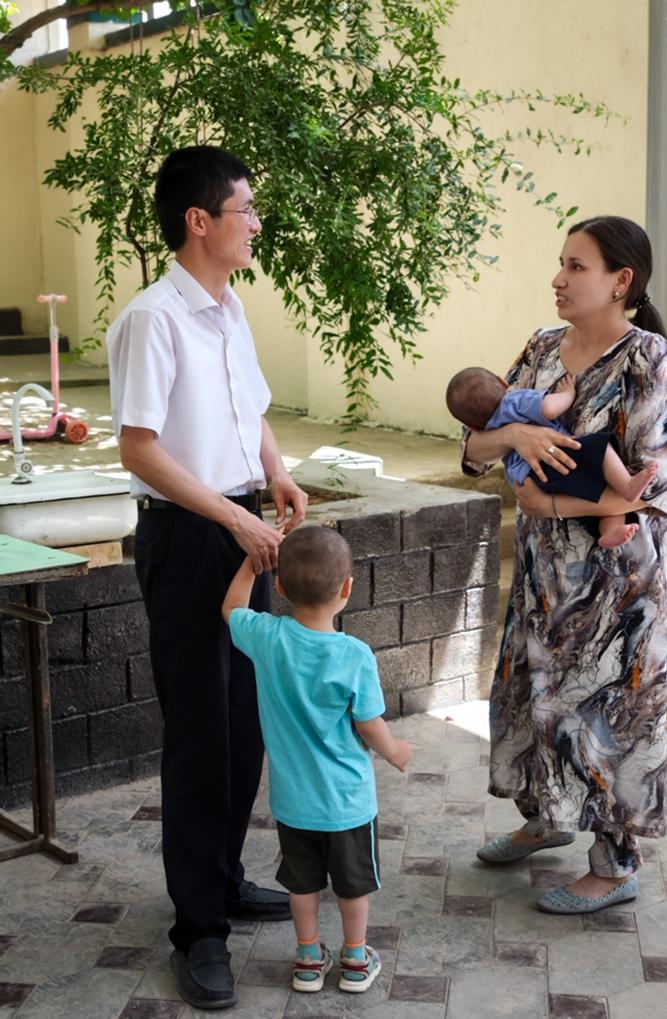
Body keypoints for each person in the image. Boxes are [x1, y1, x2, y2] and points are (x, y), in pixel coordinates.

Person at [107, 145, 309, 1009]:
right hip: (192, 538)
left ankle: (222, 880)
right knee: (199, 733)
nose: (256, 223)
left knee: (242, 721)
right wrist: (231, 517)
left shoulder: (229, 309)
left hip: (240, 527)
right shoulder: (152, 319)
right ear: (199, 220)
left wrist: (277, 472)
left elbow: (248, 408)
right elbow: (139, 448)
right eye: (245, 209)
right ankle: (197, 930)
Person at [463, 215, 667, 914]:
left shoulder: (644, 355)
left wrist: (550, 503)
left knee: (609, 712)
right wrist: (514, 435)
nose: (558, 278)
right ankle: (545, 818)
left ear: (622, 281)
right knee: (532, 692)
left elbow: (652, 479)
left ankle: (615, 864)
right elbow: (472, 447)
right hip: (543, 571)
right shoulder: (540, 347)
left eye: (576, 266)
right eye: (561, 263)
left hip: (618, 581)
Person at [222, 525, 411, 994]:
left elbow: (231, 608)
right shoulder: (355, 655)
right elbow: (369, 724)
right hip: (347, 802)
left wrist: (252, 560)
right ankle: (355, 959)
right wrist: (395, 751)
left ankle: (308, 960)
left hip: (294, 802)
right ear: (347, 588)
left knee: (301, 884)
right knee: (353, 885)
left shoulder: (268, 638)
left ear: (281, 588)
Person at [446, 367, 658, 547]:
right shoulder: (514, 399)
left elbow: (471, 448)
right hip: (559, 458)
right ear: (503, 382)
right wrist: (567, 393)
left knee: (593, 491)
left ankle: (609, 533)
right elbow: (548, 408)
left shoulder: (485, 428)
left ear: (472, 426)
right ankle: (626, 485)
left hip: (534, 481)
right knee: (600, 448)